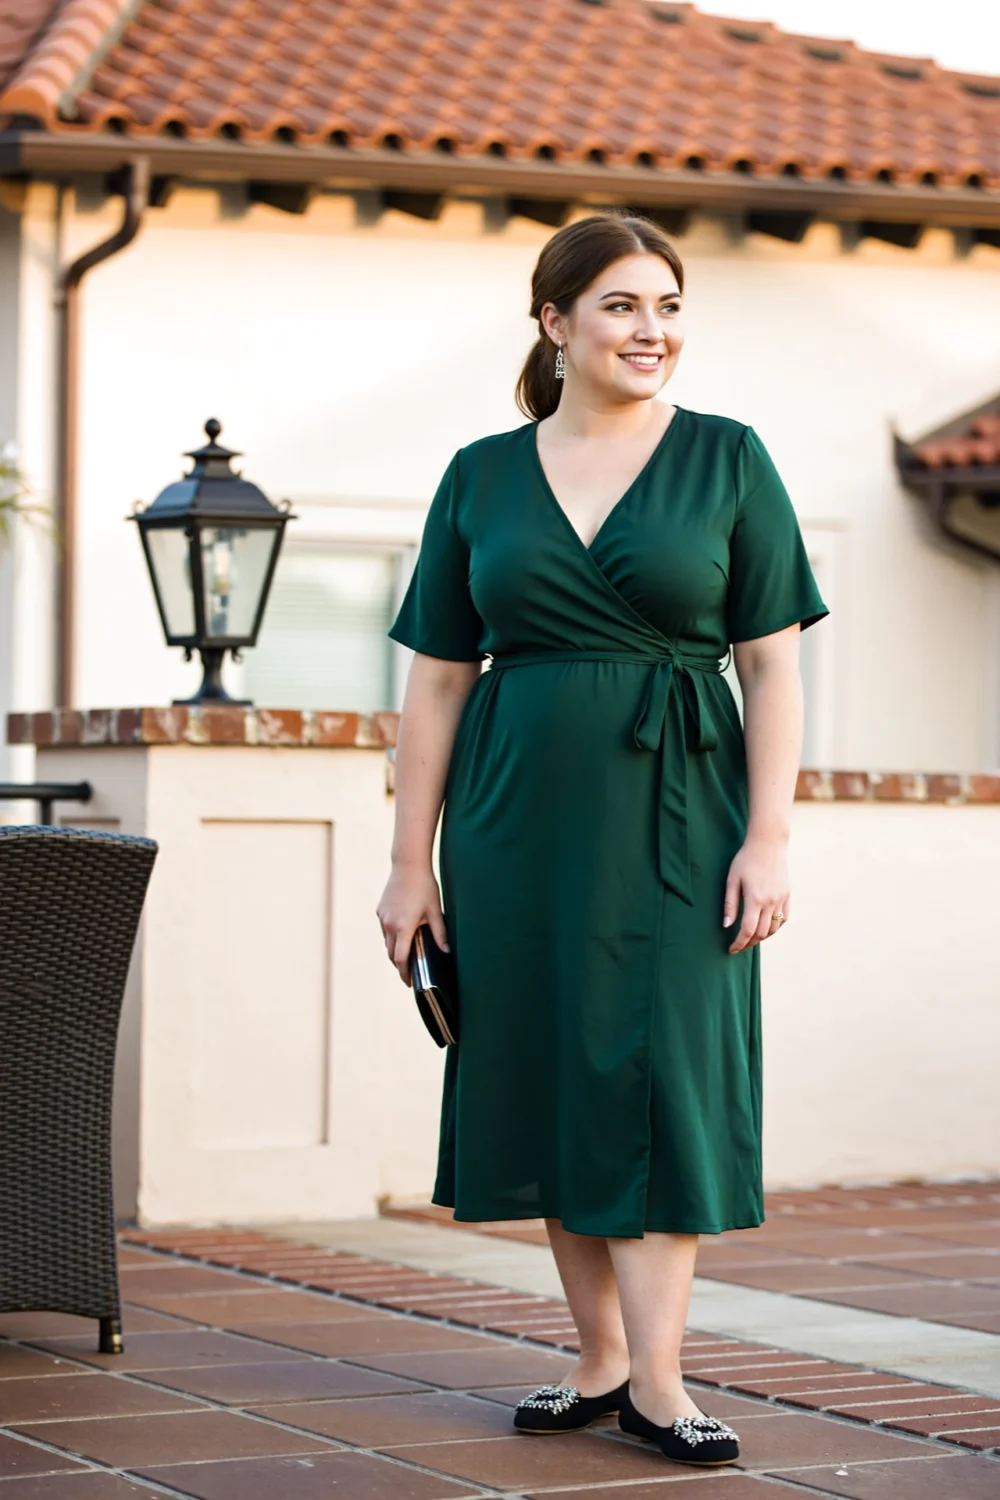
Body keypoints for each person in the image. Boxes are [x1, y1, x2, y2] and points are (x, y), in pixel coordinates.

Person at [376, 210, 829, 1469]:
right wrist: (411, 862)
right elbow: (437, 683)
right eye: (623, 305)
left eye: (669, 306)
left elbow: (772, 668)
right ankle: (599, 1363)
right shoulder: (480, 473)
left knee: (662, 1081)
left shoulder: (730, 460)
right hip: (511, 820)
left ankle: (664, 1384)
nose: (652, 330)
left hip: (686, 812)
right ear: (555, 323)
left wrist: (771, 834)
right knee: (544, 1068)